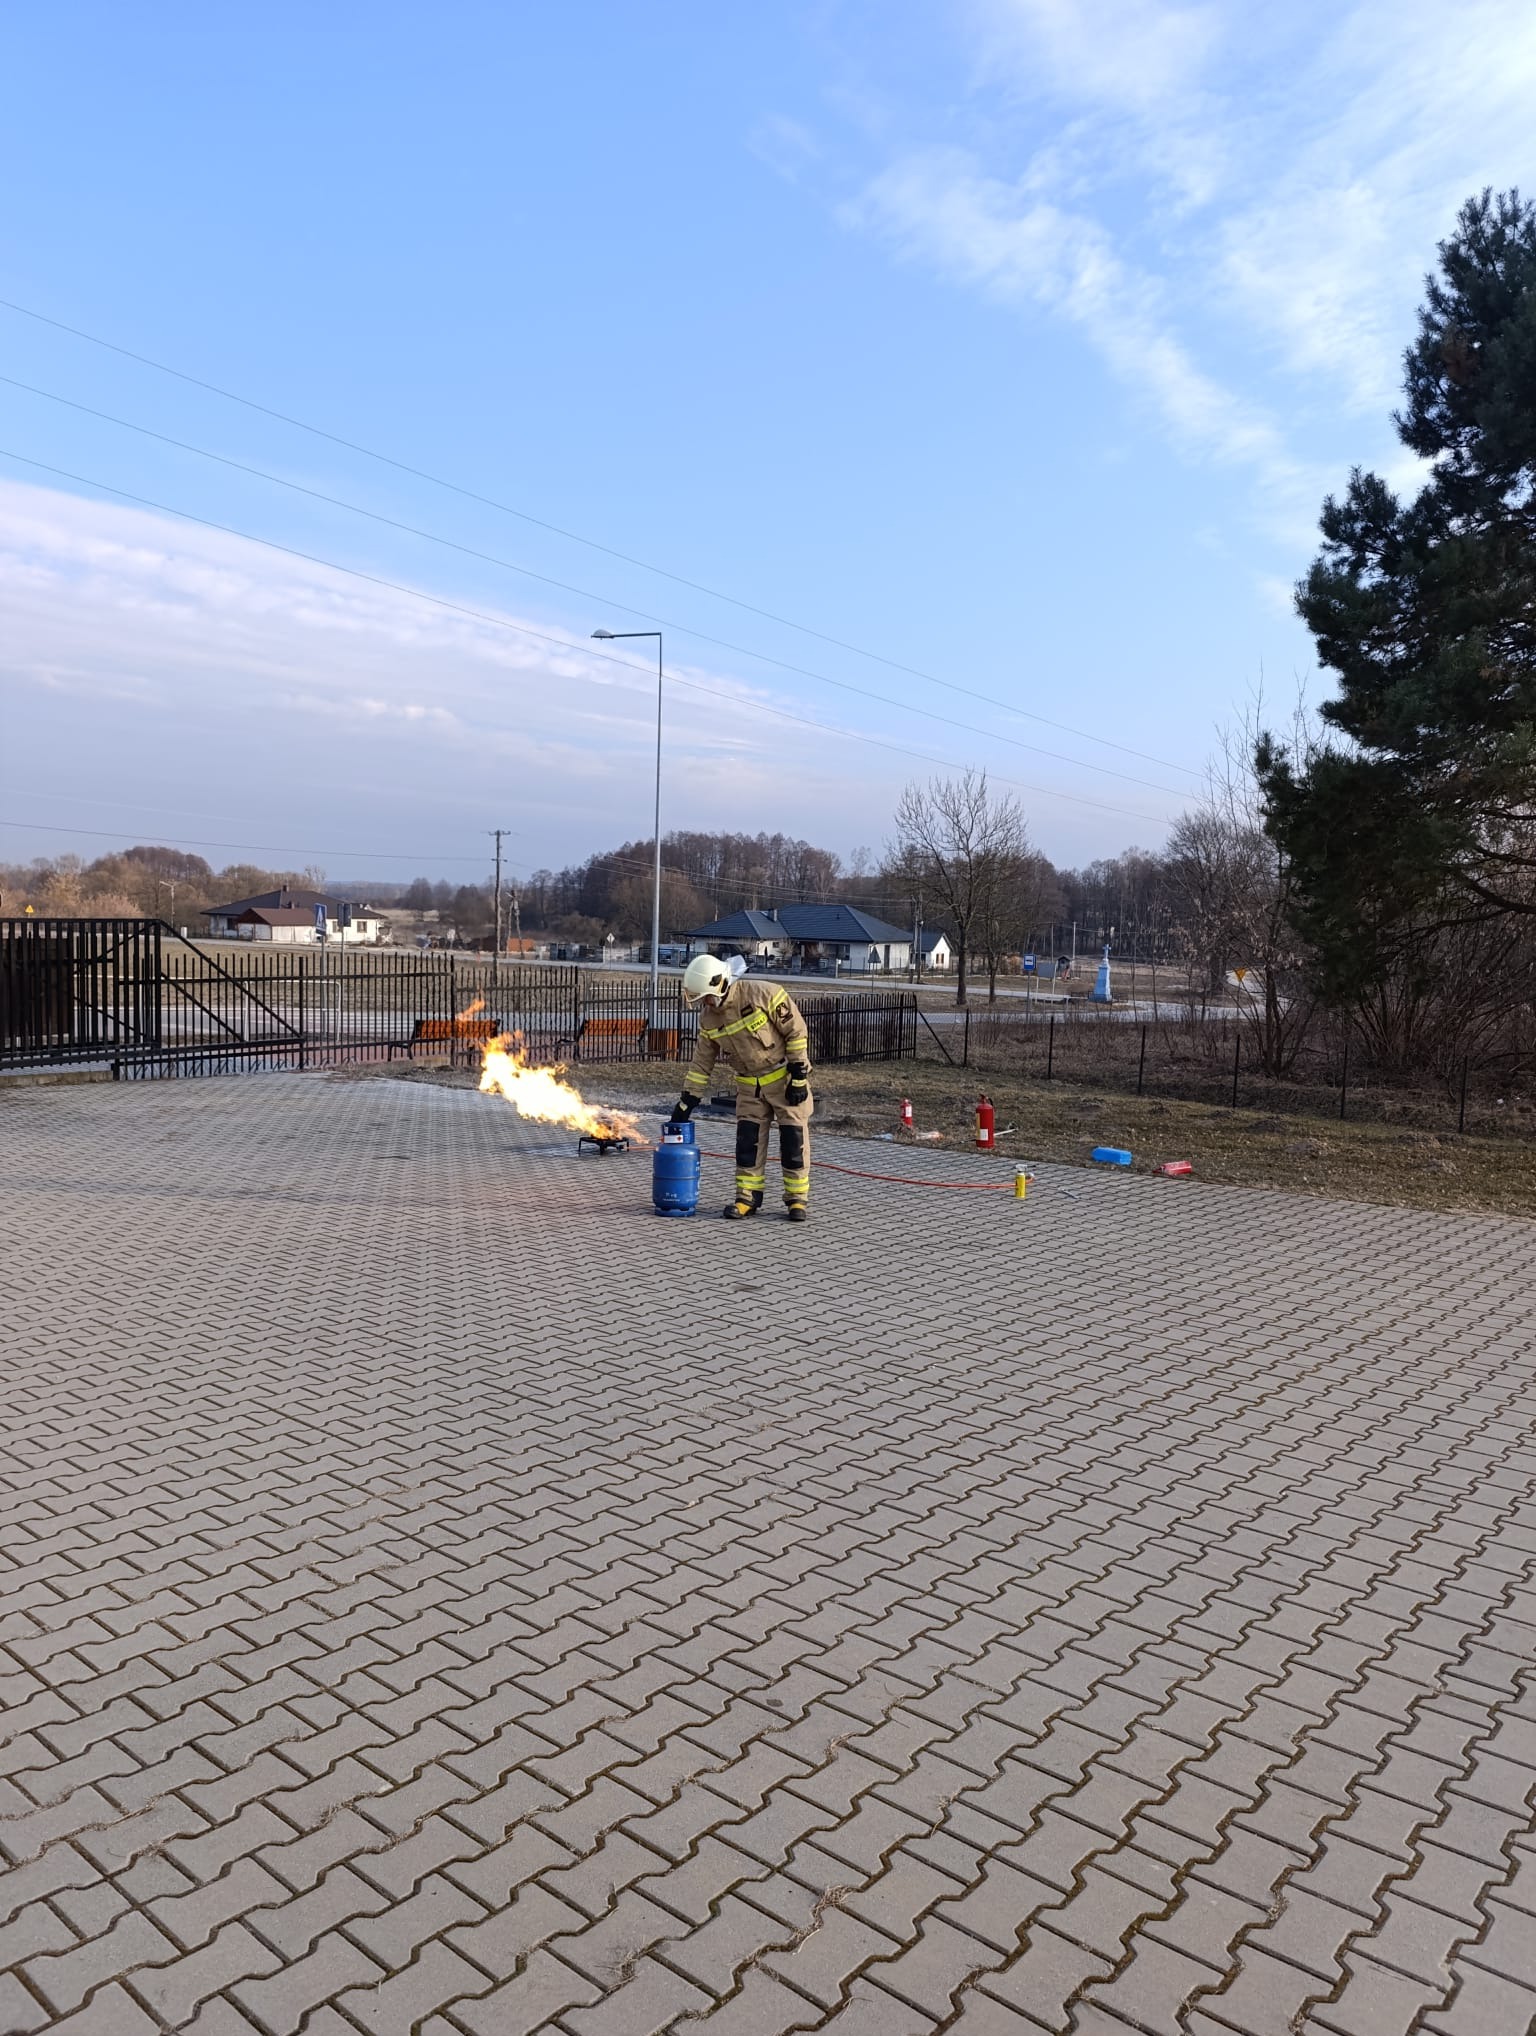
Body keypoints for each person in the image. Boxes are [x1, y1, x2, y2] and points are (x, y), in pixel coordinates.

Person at [669, 954, 813, 1222]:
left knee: (793, 1141)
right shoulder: (709, 1020)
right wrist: (688, 1099)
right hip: (750, 1087)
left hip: (783, 1080)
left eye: (707, 997)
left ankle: (796, 1201)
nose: (706, 1004)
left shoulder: (763, 993)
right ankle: (746, 1198)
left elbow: (796, 1031)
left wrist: (799, 1075)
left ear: (721, 984)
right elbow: (702, 1061)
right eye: (702, 999)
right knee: (748, 1143)